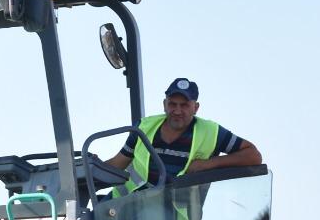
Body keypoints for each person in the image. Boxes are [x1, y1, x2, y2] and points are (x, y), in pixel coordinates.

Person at [105, 78, 263, 189]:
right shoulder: (144, 127)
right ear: (164, 105)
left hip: (170, 213)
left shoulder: (211, 132)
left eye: (184, 105)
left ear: (196, 108)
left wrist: (207, 164)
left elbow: (253, 155)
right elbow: (119, 162)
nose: (177, 111)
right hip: (126, 203)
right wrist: (89, 169)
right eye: (172, 104)